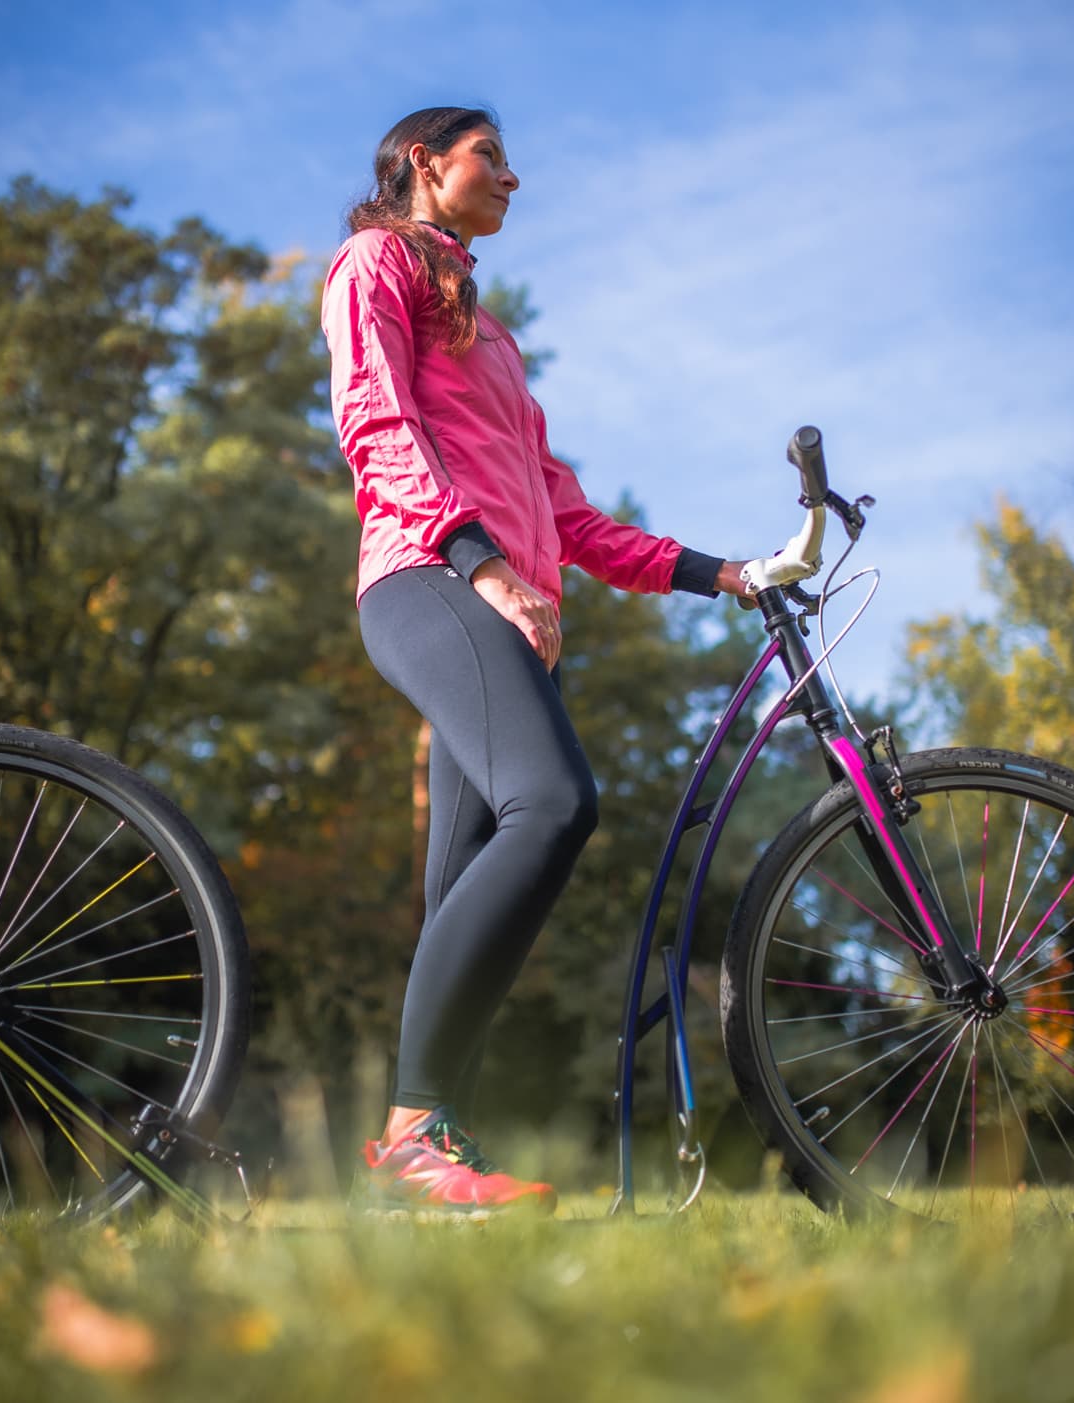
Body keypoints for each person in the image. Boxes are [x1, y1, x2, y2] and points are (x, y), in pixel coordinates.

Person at [321, 105, 752, 1217]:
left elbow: (569, 517)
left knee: (471, 880)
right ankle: (416, 1132)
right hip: (428, 579)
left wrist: (724, 573)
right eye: (491, 159)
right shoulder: (375, 264)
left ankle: (426, 1154)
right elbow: (374, 424)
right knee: (555, 803)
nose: (513, 178)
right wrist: (477, 562)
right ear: (426, 163)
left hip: (506, 611)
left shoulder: (493, 336)